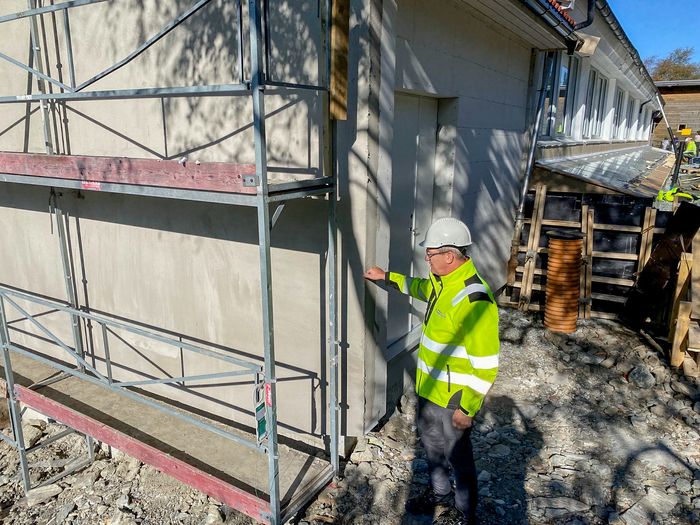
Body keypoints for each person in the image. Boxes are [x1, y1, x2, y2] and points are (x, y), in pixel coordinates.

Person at [364, 217, 500, 525]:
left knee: (459, 460)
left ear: (450, 256)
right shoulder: (444, 283)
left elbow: (486, 366)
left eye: (431, 253)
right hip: (429, 390)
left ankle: (464, 515)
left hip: (453, 399)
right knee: (432, 449)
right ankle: (440, 499)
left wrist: (467, 409)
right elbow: (421, 288)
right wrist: (386, 277)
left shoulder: (474, 300)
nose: (427, 257)